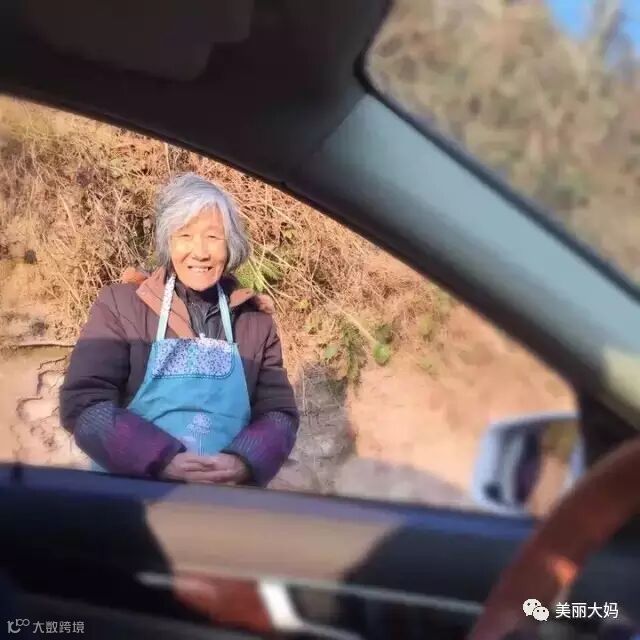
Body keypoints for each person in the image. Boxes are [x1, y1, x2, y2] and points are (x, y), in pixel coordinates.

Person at [60, 173, 299, 486]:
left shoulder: (255, 322)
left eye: (213, 237)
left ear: (231, 245)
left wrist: (242, 462)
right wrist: (158, 459)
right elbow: (85, 403)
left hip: (224, 499)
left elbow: (279, 414)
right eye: (185, 235)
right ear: (168, 242)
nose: (199, 252)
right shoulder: (121, 306)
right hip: (132, 496)